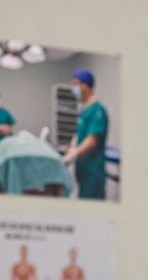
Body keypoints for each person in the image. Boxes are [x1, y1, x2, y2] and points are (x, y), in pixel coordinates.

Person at [61, 69, 109, 200]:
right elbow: (79, 135)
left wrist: (73, 155)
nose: (74, 88)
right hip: (83, 169)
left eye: (76, 84)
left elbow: (92, 140)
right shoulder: (86, 110)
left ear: (86, 86)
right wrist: (70, 147)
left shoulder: (98, 111)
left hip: (93, 171)